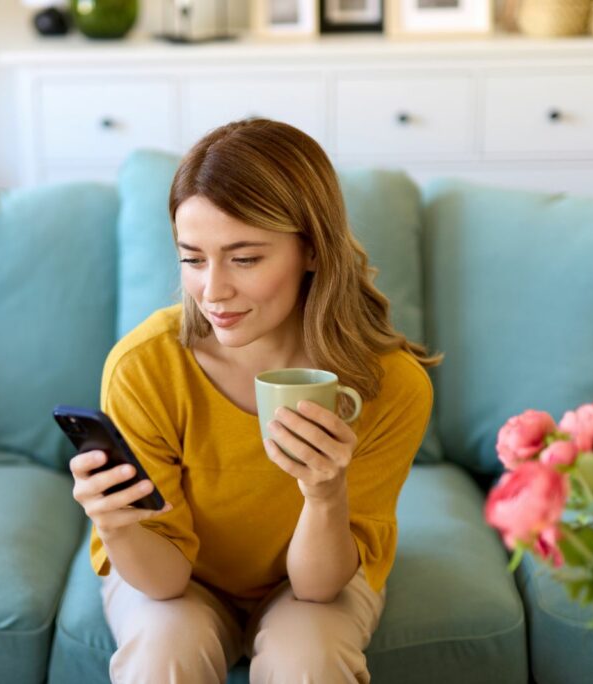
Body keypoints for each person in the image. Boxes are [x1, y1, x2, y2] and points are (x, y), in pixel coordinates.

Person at [68, 118, 442, 684]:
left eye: (244, 259)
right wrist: (116, 525)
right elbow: (165, 583)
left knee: (311, 660)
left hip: (311, 582)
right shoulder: (146, 367)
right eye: (193, 259)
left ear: (312, 250)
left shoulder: (387, 385)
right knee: (162, 654)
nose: (213, 291)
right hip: (177, 576)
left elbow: (318, 589)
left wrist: (324, 493)